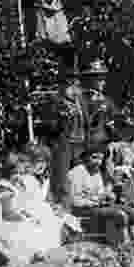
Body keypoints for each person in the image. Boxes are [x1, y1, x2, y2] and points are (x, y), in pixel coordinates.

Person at [50, 67, 87, 204]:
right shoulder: (58, 102)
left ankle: (77, 201)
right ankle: (62, 202)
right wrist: (62, 118)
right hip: (64, 143)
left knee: (78, 174)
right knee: (63, 175)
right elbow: (53, 125)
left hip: (80, 142)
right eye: (71, 84)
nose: (75, 88)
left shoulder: (80, 102)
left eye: (76, 85)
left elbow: (86, 121)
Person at [80, 59, 122, 155]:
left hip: (103, 145)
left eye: (103, 79)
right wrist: (97, 111)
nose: (103, 82)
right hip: (85, 146)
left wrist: (113, 126)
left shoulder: (107, 100)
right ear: (90, 80)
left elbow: (116, 119)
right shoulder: (81, 99)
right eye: (99, 79)